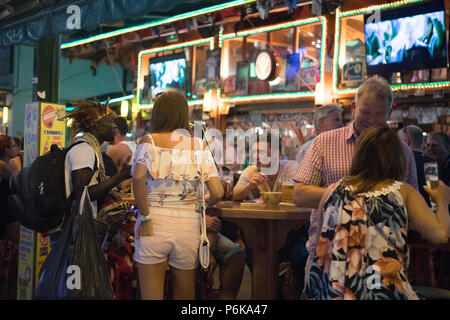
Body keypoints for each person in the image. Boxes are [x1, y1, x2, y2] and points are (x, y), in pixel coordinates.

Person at [294, 77, 419, 287]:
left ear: (388, 114)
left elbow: (412, 208)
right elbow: (300, 195)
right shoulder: (324, 142)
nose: (372, 120)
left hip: (383, 259)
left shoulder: (402, 151)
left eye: (379, 114)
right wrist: (350, 194)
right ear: (353, 108)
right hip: (328, 254)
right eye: (365, 112)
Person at [303, 126, 449, 300]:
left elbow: (321, 244)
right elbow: (440, 235)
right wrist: (442, 200)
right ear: (397, 158)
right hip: (384, 294)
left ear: (359, 156)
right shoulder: (402, 192)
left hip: (331, 294)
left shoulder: (331, 191)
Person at [131, 90, 224, 300]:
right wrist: (201, 203)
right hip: (188, 229)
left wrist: (145, 216)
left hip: (153, 226)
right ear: (184, 114)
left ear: (157, 114)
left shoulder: (149, 141)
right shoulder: (199, 145)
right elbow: (218, 192)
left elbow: (137, 179)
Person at [53, 98, 132, 245]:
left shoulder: (91, 149)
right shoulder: (84, 149)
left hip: (84, 226)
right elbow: (83, 194)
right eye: (110, 121)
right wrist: (119, 177)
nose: (115, 126)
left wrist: (109, 191)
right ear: (96, 125)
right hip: (77, 231)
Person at [233, 133, 300, 201]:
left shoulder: (292, 168)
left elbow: (302, 197)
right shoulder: (251, 171)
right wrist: (249, 186)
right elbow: (234, 196)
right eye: (254, 152)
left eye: (261, 152)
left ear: (276, 153)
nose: (256, 157)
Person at [0, 135, 20, 300]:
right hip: (5, 220)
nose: (16, 149)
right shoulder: (3, 169)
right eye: (13, 146)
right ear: (5, 149)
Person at [398, 125, 434, 205]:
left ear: (406, 142)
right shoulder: (430, 162)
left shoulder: (400, 162)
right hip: (427, 209)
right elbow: (434, 191)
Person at [107, 117, 137, 193]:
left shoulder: (115, 149)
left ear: (116, 131)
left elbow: (106, 176)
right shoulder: (133, 144)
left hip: (124, 194)